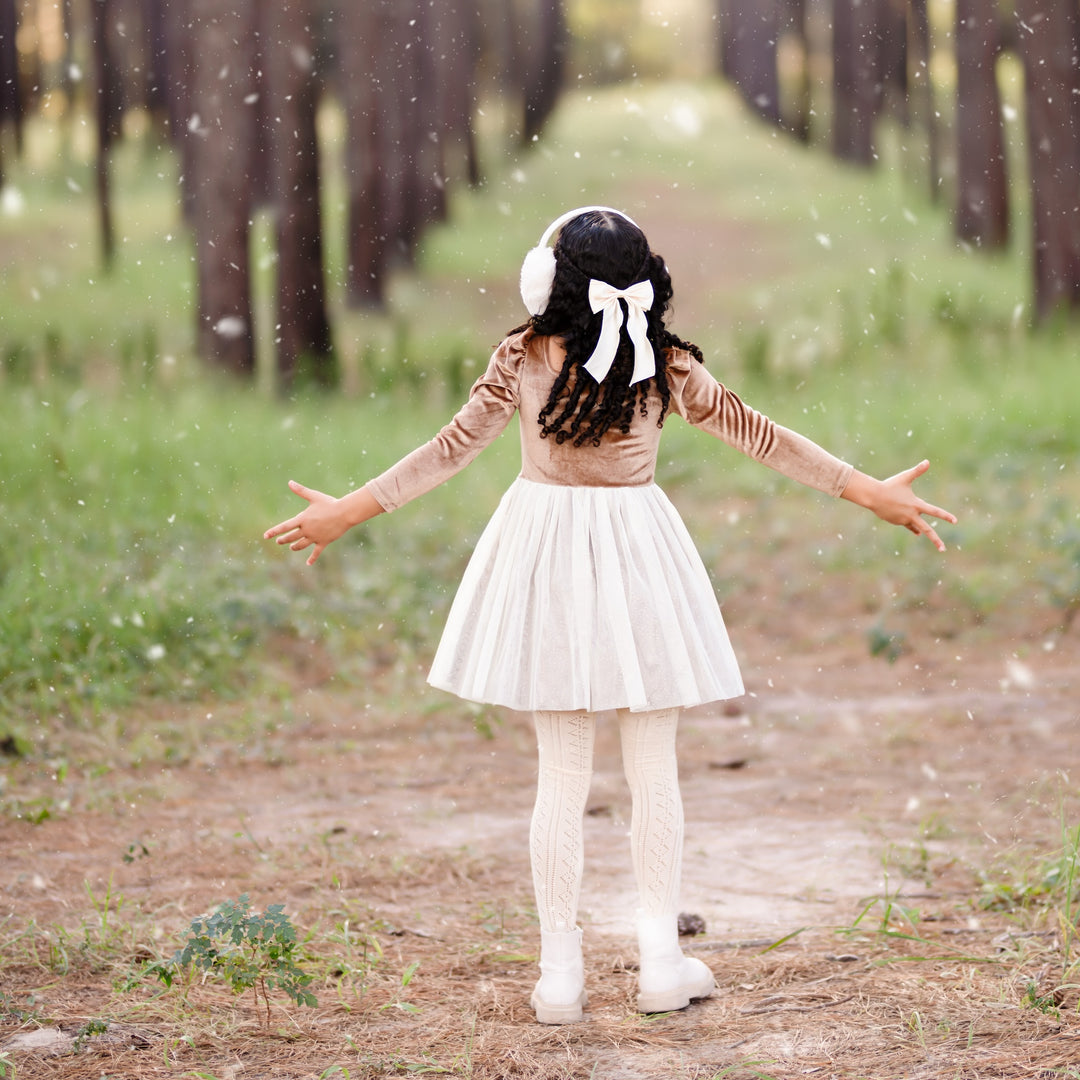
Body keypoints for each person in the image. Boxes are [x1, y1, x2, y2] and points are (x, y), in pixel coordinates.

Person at [264, 206, 956, 1024]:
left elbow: (451, 446)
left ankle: (561, 975)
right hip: (640, 554)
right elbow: (757, 433)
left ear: (548, 281)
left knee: (561, 774)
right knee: (652, 765)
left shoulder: (522, 356)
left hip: (543, 550)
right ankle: (662, 963)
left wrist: (350, 510)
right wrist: (867, 490)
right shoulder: (664, 362)